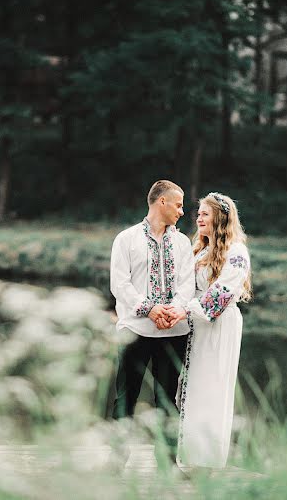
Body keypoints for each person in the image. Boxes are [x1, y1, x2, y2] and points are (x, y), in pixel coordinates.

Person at [165, 192, 252, 468]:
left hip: (218, 325)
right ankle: (189, 456)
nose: (199, 217)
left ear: (220, 217)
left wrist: (188, 309)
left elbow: (224, 291)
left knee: (211, 387)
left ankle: (207, 461)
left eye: (205, 213)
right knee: (191, 388)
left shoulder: (236, 251)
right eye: (199, 213)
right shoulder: (200, 249)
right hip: (195, 327)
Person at [109, 180, 195, 429]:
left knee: (168, 400)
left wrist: (172, 310)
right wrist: (150, 309)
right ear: (162, 201)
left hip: (174, 331)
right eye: (178, 205)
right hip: (135, 330)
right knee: (126, 396)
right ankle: (118, 459)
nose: (181, 211)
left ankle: (166, 463)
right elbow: (120, 284)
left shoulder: (182, 243)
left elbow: (187, 285)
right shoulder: (126, 239)